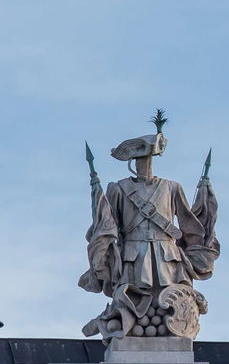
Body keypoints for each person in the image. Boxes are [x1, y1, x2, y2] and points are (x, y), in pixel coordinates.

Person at [79, 123, 218, 339]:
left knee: (172, 304)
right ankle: (118, 323)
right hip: (133, 254)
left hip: (167, 254)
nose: (146, 163)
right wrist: (102, 250)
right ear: (134, 162)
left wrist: (198, 252)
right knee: (132, 300)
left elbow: (190, 225)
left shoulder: (172, 187)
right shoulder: (118, 188)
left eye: (150, 158)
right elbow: (108, 224)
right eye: (142, 159)